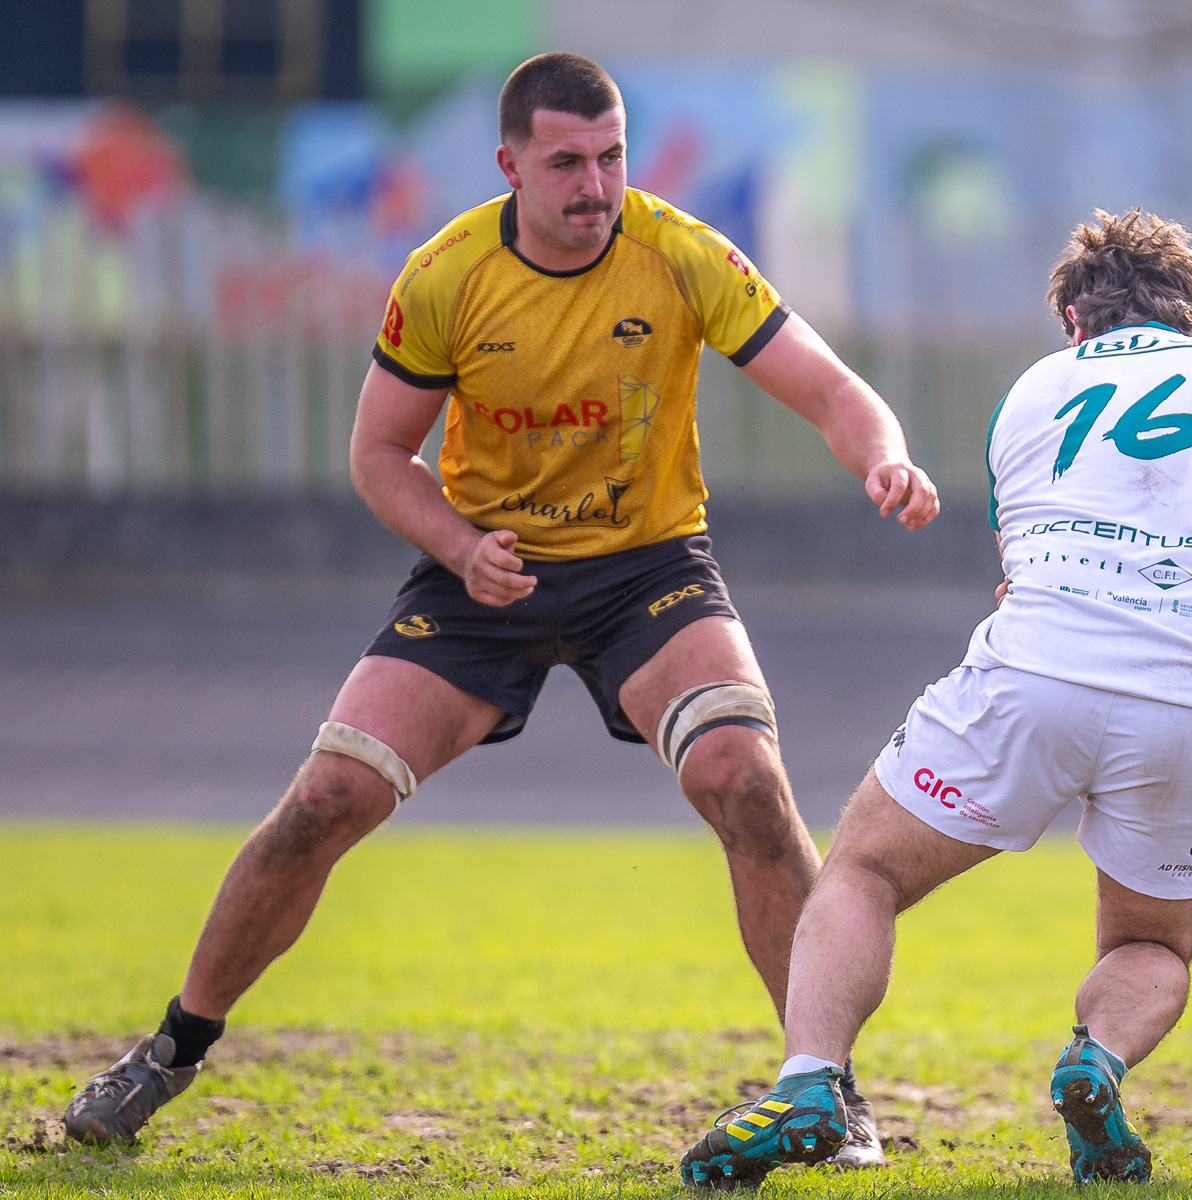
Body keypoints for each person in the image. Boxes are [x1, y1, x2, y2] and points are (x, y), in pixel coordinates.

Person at [60, 52, 937, 1167]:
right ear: (510, 164)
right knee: (325, 798)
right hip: (484, 576)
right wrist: (460, 548)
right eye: (566, 163)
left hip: (646, 569)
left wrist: (885, 458)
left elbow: (831, 387)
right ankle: (170, 1051)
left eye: (611, 158)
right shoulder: (447, 274)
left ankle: (828, 1090)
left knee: (747, 781)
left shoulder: (680, 253)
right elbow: (379, 455)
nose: (595, 186)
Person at [675, 208, 1192, 1189]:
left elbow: (1023, 569)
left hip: (1040, 674)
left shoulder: (1030, 392)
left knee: (864, 872)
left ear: (1072, 318)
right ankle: (1097, 1062)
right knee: (1151, 943)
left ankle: (810, 1083)